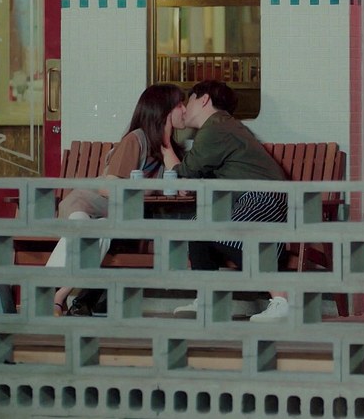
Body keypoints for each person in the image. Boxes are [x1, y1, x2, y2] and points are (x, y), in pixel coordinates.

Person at [47, 83, 187, 316]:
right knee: (89, 232)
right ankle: (53, 292)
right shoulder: (136, 140)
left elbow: (180, 187)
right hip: (86, 206)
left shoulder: (168, 150)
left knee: (101, 232)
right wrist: (141, 192)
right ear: (164, 110)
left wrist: (166, 146)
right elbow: (106, 188)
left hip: (113, 217)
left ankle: (55, 294)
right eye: (180, 105)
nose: (185, 110)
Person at [161, 80, 290, 322]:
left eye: (189, 100)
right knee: (198, 225)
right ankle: (208, 300)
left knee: (228, 232)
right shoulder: (222, 127)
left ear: (204, 99)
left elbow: (185, 171)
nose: (185, 108)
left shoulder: (216, 128)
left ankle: (283, 299)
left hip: (263, 197)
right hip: (248, 198)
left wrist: (165, 145)